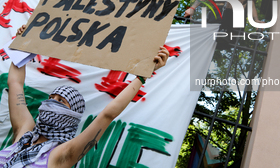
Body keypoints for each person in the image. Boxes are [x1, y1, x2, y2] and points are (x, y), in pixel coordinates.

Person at [0, 25, 169, 168]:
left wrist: (143, 75)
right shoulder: (25, 132)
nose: (52, 102)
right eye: (51, 98)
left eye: (61, 102)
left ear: (72, 116)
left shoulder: (62, 154)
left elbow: (107, 114)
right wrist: (22, 43)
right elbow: (15, 84)